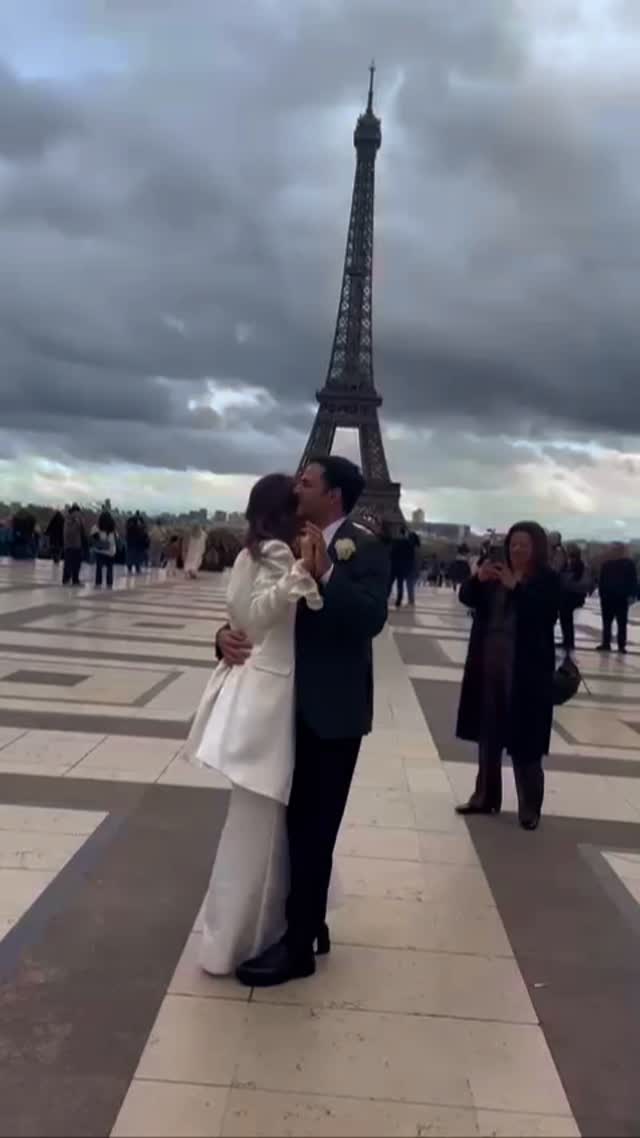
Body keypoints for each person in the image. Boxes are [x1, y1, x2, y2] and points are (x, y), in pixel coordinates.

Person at [216, 456, 389, 986]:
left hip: (331, 713)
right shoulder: (285, 542)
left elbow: (369, 619)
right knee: (288, 827)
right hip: (280, 708)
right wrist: (221, 639)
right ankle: (304, 922)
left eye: (307, 482)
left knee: (314, 830)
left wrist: (326, 573)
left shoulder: (366, 547)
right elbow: (256, 613)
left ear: (334, 495)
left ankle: (297, 949)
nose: (297, 486)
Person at [184, 474, 323, 975]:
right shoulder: (280, 557)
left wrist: (229, 631)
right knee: (264, 825)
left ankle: (240, 934)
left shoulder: (249, 553)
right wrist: (299, 575)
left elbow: (240, 619)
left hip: (258, 692)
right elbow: (257, 618)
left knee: (260, 823)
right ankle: (252, 935)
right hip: (272, 697)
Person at [455, 522, 560, 831]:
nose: (517, 550)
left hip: (525, 672)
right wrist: (477, 579)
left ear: (536, 548)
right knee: (488, 735)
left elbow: (546, 615)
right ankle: (485, 796)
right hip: (489, 665)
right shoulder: (497, 573)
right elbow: (467, 597)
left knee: (525, 741)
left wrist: (519, 588)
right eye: (513, 544)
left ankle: (530, 806)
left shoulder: (546, 579)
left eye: (524, 545)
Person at [597, 543, 638, 654]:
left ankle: (620, 645)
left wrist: (632, 594)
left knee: (621, 623)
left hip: (620, 597)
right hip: (609, 597)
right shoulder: (607, 564)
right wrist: (602, 594)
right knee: (607, 622)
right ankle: (607, 643)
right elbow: (602, 581)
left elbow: (633, 580)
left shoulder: (628, 564)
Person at [558, 544, 589, 653]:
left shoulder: (578, 565)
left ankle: (568, 641)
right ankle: (567, 640)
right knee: (565, 619)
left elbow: (573, 581)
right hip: (567, 596)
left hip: (571, 596)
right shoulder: (569, 564)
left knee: (566, 619)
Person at [390, 526, 419, 606]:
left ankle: (386, 597)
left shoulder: (395, 541)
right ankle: (399, 600)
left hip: (394, 565)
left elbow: (391, 553)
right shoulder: (408, 544)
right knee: (400, 584)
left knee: (390, 583)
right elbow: (410, 557)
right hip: (402, 567)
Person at [91, 509, 117, 589]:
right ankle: (109, 583)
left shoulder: (97, 527)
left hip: (100, 551)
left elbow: (92, 537)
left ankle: (98, 583)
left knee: (99, 568)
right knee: (110, 568)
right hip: (110, 551)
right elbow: (115, 539)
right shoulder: (113, 529)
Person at [62, 504, 85, 586]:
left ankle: (72, 579)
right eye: (78, 512)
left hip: (74, 545)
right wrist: (78, 522)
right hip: (72, 545)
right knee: (71, 563)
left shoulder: (72, 519)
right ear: (75, 512)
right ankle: (68, 579)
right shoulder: (71, 519)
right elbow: (71, 531)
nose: (79, 514)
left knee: (74, 563)